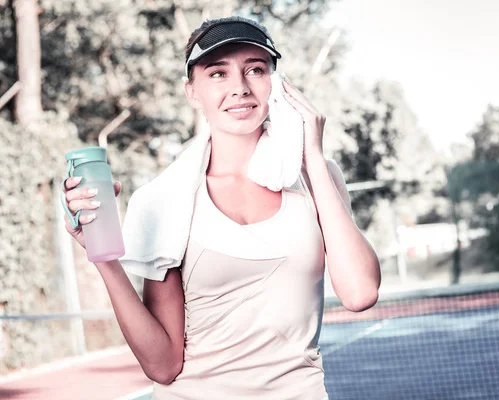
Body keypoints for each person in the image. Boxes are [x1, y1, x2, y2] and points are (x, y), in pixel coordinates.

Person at [62, 16, 381, 400]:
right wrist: (103, 258)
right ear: (192, 91)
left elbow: (360, 293)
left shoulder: (318, 176)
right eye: (218, 73)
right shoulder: (163, 199)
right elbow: (163, 366)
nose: (240, 88)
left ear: (276, 83)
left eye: (255, 70)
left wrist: (312, 155)